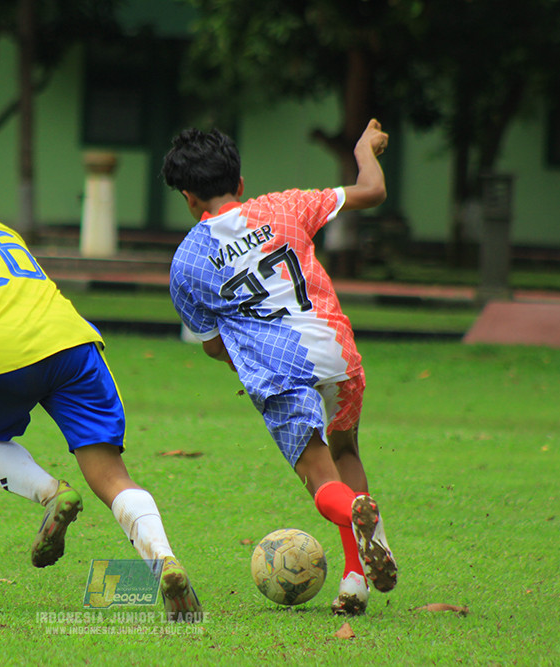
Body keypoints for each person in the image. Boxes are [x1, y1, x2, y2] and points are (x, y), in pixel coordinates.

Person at [0, 183, 200, 620]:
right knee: (110, 474)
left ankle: (53, 494)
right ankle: (163, 560)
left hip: (2, 355)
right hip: (73, 342)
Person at [161, 119, 397, 616]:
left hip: (282, 372)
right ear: (240, 183)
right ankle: (356, 581)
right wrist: (364, 149)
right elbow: (372, 190)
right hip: (338, 350)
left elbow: (212, 346)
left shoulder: (187, 263)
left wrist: (248, 362)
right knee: (346, 447)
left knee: (321, 481)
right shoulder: (285, 205)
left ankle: (355, 516)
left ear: (187, 197)